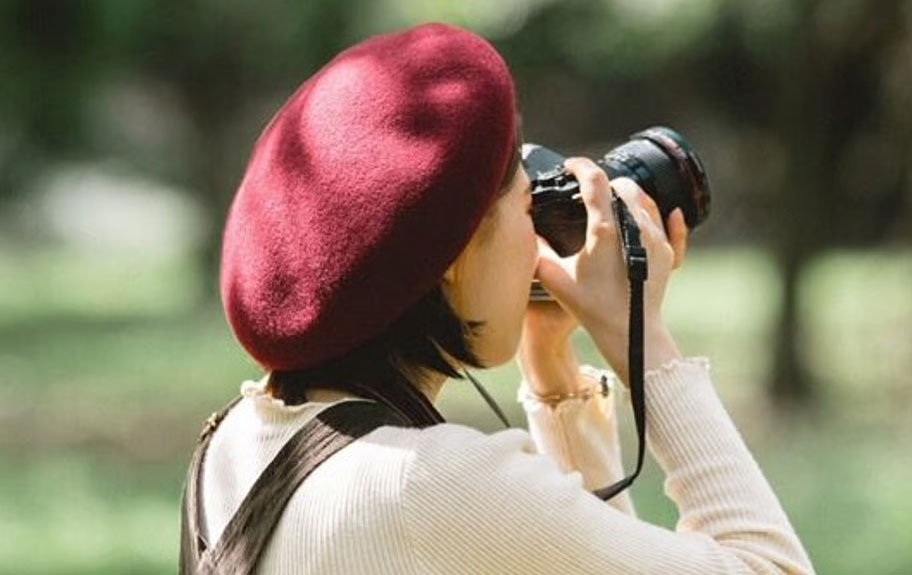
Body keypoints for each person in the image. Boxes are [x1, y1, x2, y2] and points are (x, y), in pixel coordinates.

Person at [190, 22, 814, 574]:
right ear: (456, 259)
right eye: (526, 204)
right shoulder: (431, 489)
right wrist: (643, 339)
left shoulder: (236, 447)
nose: (539, 230)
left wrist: (553, 373)